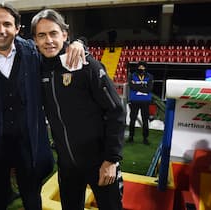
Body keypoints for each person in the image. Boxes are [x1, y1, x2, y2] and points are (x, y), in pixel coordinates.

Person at [0, 3, 86, 210]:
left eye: (7, 24)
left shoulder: (33, 54)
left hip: (30, 150)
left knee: (33, 200)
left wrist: (79, 43)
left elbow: (56, 45)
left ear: (17, 28)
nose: (2, 30)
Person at [31, 9, 126, 210]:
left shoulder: (86, 65)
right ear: (35, 40)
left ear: (65, 35)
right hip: (67, 166)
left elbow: (116, 110)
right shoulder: (38, 69)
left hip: (100, 163)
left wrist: (111, 160)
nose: (48, 40)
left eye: (53, 33)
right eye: (41, 35)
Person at [127, 61, 154, 145]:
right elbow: (131, 86)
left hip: (145, 101)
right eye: (140, 67)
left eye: (143, 67)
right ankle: (131, 137)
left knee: (145, 120)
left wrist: (137, 87)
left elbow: (149, 89)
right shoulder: (132, 76)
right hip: (134, 100)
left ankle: (145, 138)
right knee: (132, 119)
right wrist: (143, 87)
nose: (141, 69)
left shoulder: (150, 76)